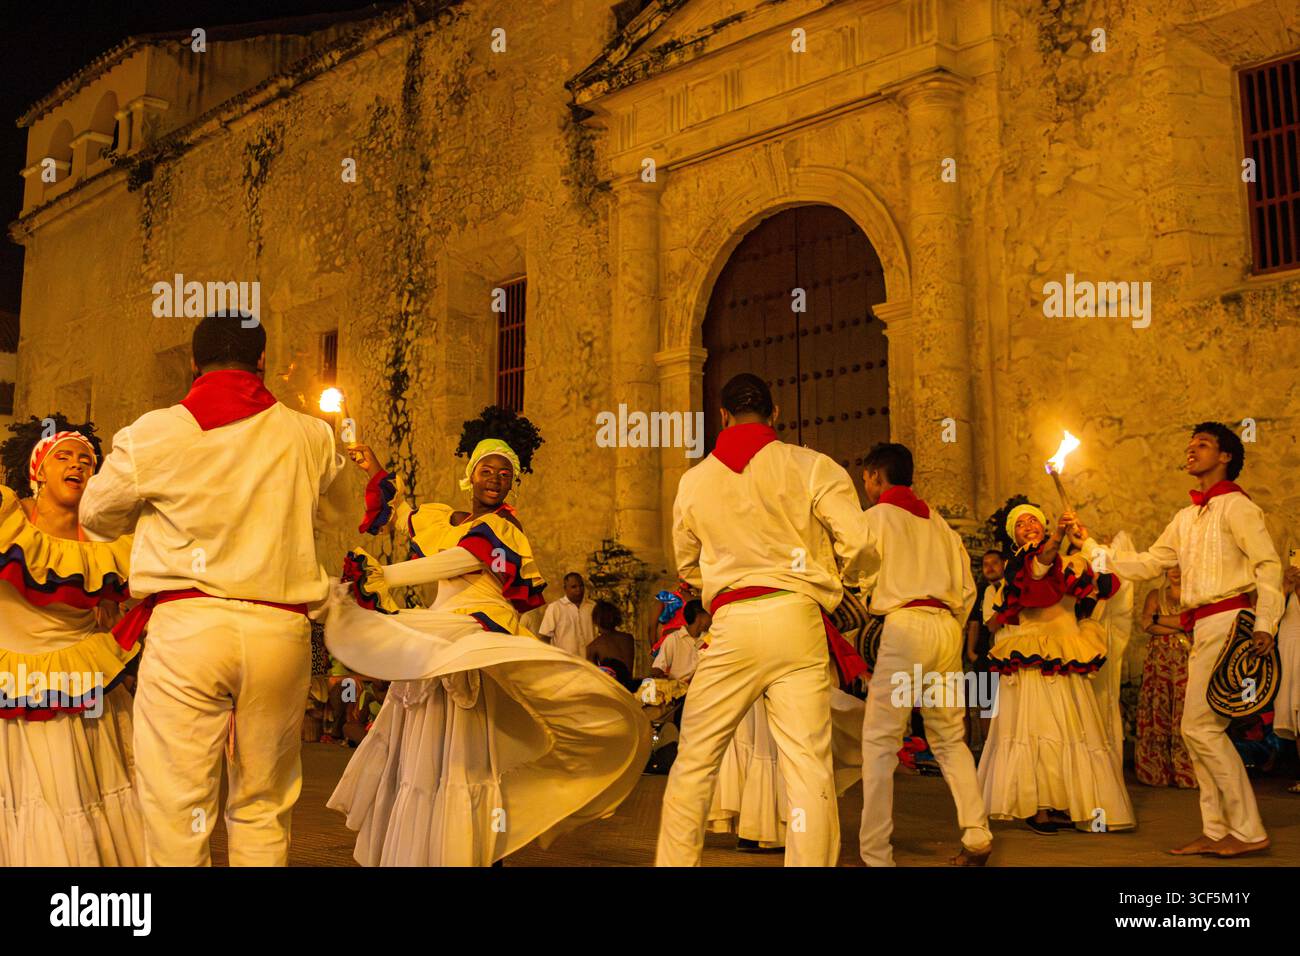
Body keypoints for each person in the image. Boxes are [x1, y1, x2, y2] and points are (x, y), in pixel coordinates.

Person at [325, 410, 649, 866]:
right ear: (470, 474)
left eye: (505, 474)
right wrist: (375, 469)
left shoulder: (504, 528)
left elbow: (459, 561)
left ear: (513, 483)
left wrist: (384, 577)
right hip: (440, 634)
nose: (495, 480)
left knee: (468, 754)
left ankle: (472, 848)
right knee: (425, 751)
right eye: (487, 470)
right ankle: (429, 848)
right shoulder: (444, 517)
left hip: (478, 636)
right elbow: (403, 517)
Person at [79, 314, 346, 867]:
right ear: (264, 361)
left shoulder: (153, 431)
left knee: (177, 805)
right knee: (264, 805)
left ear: (194, 364)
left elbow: (96, 515)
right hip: (280, 630)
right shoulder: (311, 434)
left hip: (190, 629)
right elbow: (343, 504)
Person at [656, 374, 869, 867]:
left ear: (723, 418)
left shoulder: (694, 480)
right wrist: (838, 579)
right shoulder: (813, 466)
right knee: (807, 766)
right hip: (797, 618)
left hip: (731, 623)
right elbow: (858, 542)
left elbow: (686, 563)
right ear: (775, 415)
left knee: (695, 761)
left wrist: (721, 574)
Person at [1078, 422, 1281, 857]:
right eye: (1189, 445)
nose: (1192, 450)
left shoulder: (1238, 508)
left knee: (1201, 727)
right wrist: (1092, 546)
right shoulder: (1185, 518)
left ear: (1225, 456)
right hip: (1200, 628)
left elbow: (1268, 565)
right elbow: (1148, 563)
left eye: (1203, 445)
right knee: (1197, 731)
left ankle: (1247, 830)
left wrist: (1265, 622)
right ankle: (1217, 828)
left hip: (1230, 621)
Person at [0, 417, 143, 865]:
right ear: (37, 470)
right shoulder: (8, 517)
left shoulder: (102, 542)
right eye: (64, 456)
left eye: (87, 461)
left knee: (83, 795)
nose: (78, 466)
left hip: (79, 686)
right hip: (11, 681)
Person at [854, 443, 991, 866]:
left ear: (877, 477)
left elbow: (857, 572)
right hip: (946, 627)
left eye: (866, 480)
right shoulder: (942, 526)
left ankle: (877, 855)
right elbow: (968, 590)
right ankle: (976, 833)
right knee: (950, 739)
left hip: (905, 629)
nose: (866, 488)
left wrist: (868, 596)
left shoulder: (875, 518)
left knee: (880, 743)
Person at [977, 501, 1135, 835]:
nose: (1029, 524)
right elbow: (1041, 566)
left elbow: (1106, 583)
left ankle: (1066, 801)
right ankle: (1037, 805)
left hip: (1063, 652)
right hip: (1030, 656)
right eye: (1021, 523)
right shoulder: (1019, 566)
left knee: (1069, 732)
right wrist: (1058, 536)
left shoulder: (1072, 563)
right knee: (1037, 729)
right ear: (1014, 536)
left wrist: (1083, 541)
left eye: (1034, 519)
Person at [1134, 567, 1196, 788]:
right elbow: (1146, 624)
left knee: (1185, 710)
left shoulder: (1196, 593)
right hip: (1160, 660)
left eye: (1180, 565)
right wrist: (1177, 626)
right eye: (1171, 567)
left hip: (1187, 659)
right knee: (1159, 707)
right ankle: (1158, 771)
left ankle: (1186, 771)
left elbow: (1191, 622)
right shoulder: (1155, 595)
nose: (1176, 571)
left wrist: (1161, 618)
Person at [964, 549, 1006, 748]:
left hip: (1008, 652)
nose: (989, 567)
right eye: (985, 564)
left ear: (1004, 564)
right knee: (986, 703)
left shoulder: (1012, 587)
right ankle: (988, 747)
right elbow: (973, 622)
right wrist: (972, 653)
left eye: (994, 563)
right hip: (984, 654)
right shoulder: (981, 590)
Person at [1278, 564, 1300, 793]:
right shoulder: (1286, 592)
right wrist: (1286, 586)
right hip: (1292, 659)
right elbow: (1269, 617)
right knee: (1297, 720)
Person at [651, 599, 711, 681]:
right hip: (679, 689)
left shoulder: (710, 638)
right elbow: (658, 667)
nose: (712, 618)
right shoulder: (673, 639)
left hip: (702, 689)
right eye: (709, 615)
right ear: (699, 616)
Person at [538, 572, 596, 656]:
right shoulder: (555, 608)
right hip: (566, 663)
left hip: (590, 663)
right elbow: (545, 637)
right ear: (565, 589)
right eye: (574, 587)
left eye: (581, 586)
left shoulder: (592, 606)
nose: (579, 589)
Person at [587, 600, 637, 691]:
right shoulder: (628, 638)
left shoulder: (593, 646)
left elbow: (592, 678)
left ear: (596, 621)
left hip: (610, 691)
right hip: (628, 689)